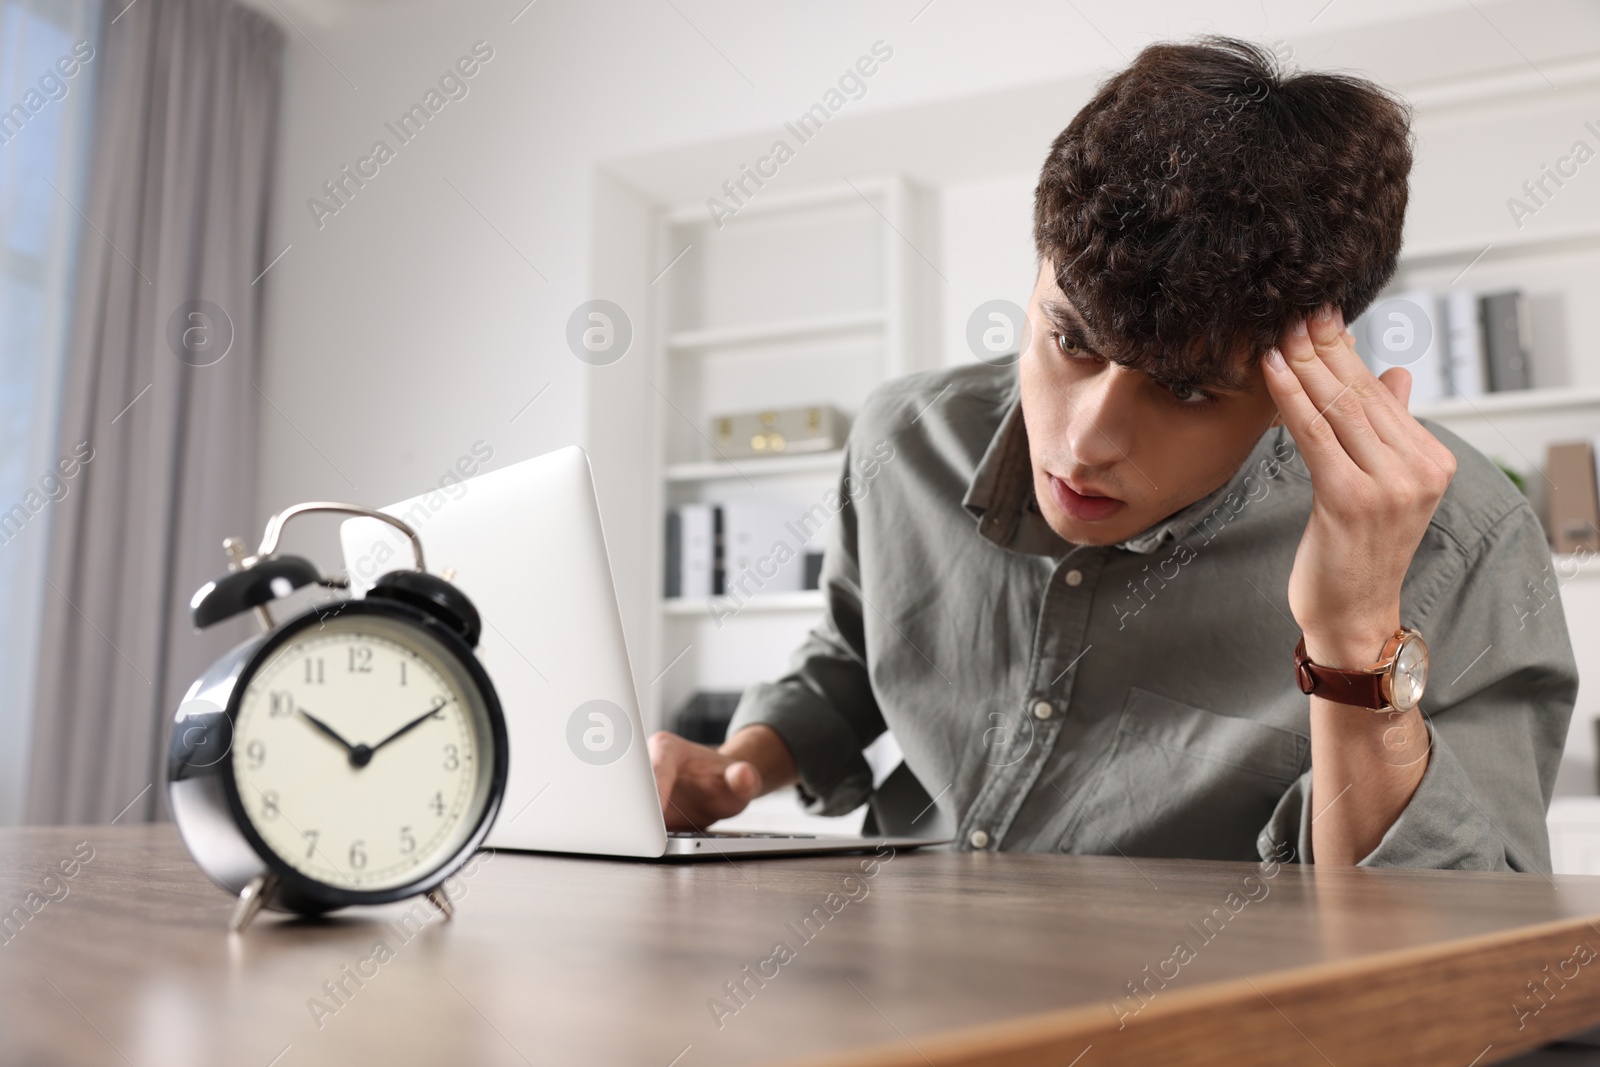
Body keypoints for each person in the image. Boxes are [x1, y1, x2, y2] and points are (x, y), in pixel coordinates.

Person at [648, 37, 1577, 869]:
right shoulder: (905, 436)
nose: (1086, 441)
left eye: (1184, 388)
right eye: (1072, 341)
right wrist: (742, 764)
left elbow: (1443, 951)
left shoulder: (1465, 541)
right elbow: (854, 650)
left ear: (1310, 364)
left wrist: (1355, 635)